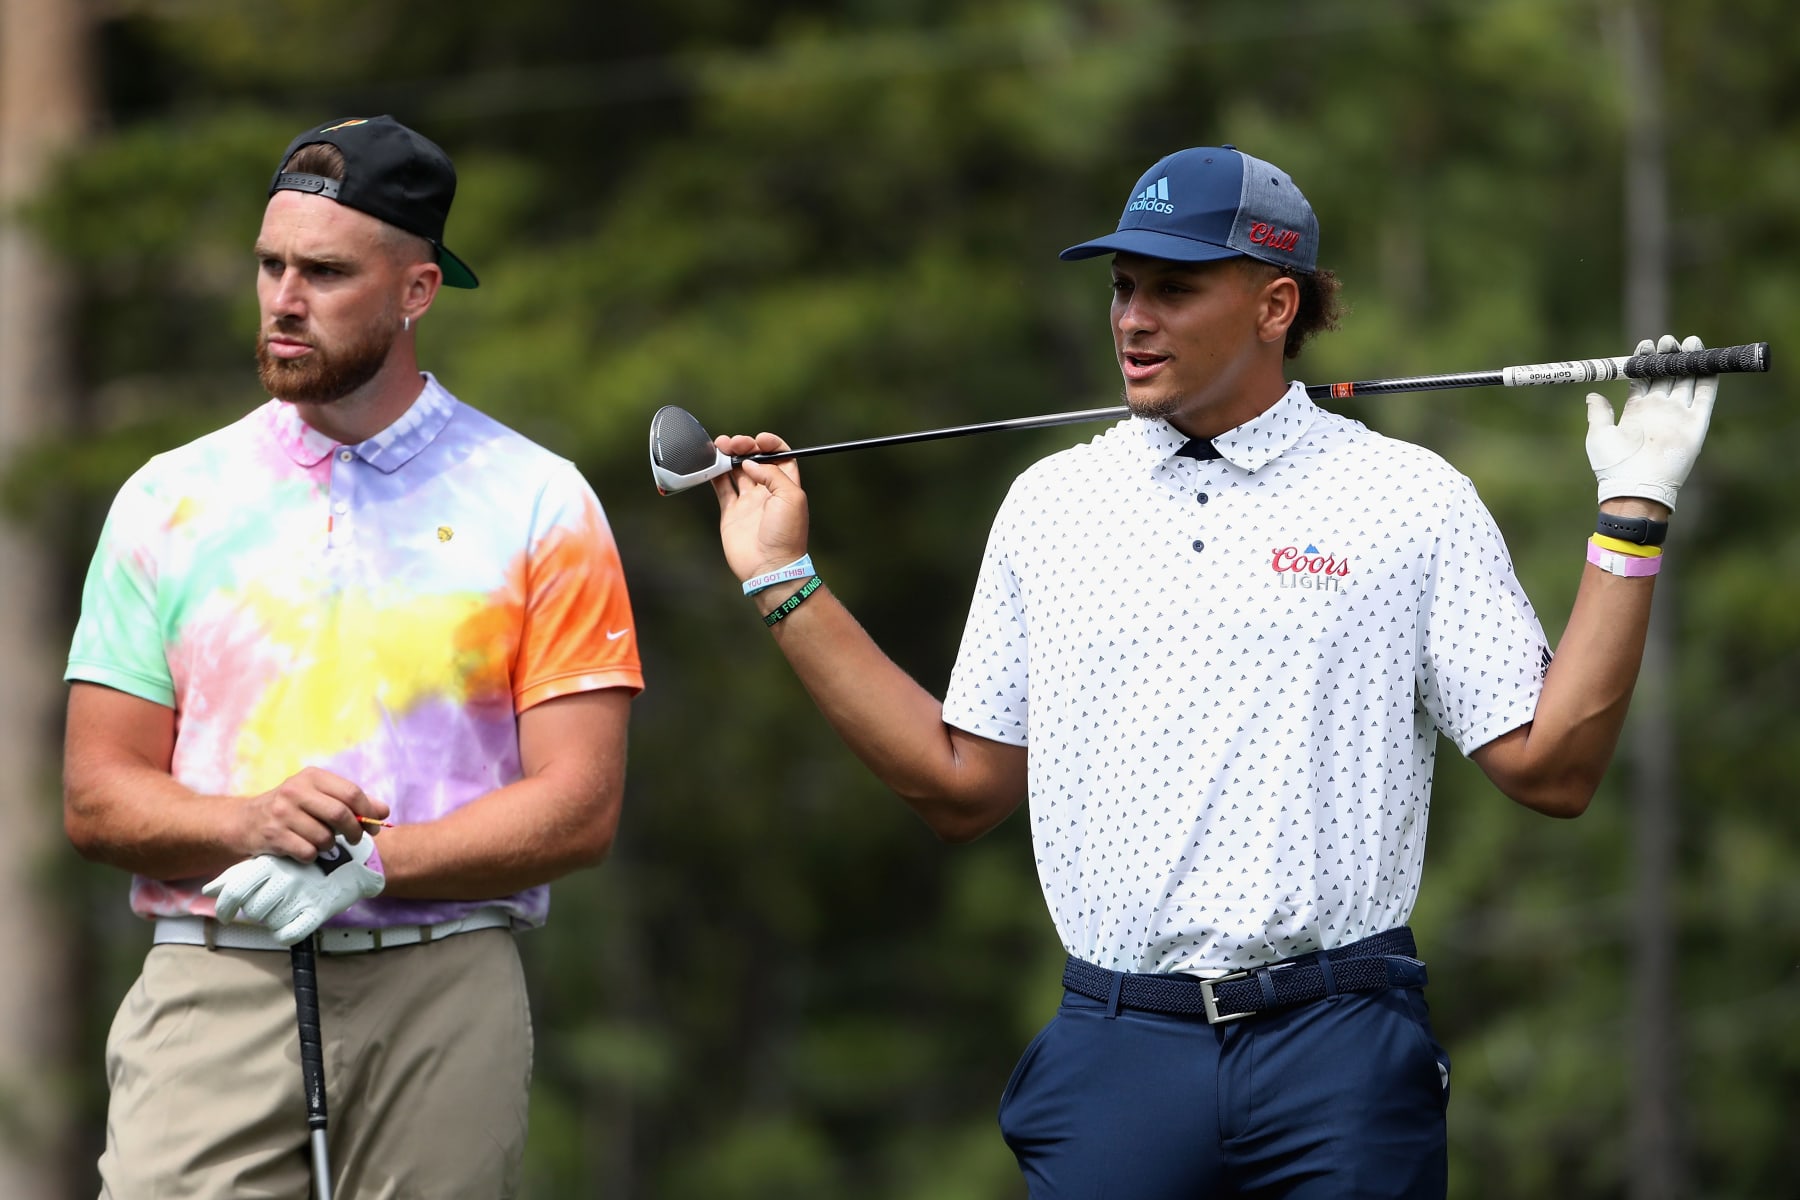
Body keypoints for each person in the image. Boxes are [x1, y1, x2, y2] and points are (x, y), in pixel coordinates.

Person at [705, 145, 1715, 1197]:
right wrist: (784, 579)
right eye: (1122, 287)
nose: (1133, 319)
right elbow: (963, 787)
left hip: (1339, 1050)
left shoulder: (1410, 499)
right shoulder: (1050, 506)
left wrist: (1633, 511)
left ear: (1275, 304)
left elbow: (1552, 770)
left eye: (1174, 288)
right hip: (1118, 1048)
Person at [62, 114, 643, 1198]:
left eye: (325, 273)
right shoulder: (167, 498)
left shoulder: (538, 501)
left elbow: (581, 806)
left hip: (445, 981)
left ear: (417, 291)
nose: (284, 300)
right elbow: (97, 797)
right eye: (271, 266)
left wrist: (373, 865)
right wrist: (246, 822)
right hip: (215, 978)